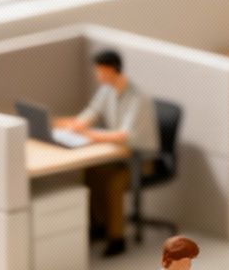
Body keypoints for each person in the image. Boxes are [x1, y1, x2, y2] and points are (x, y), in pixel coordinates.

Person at [57, 48, 160, 258]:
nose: (98, 76)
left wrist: (90, 134)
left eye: (100, 71)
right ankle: (99, 225)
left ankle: (117, 238)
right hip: (118, 155)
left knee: (114, 183)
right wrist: (75, 125)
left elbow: (124, 136)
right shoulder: (107, 89)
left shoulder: (138, 98)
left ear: (112, 70)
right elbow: (93, 111)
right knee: (91, 172)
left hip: (140, 159)